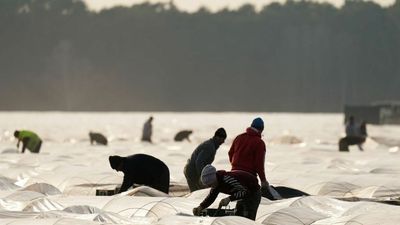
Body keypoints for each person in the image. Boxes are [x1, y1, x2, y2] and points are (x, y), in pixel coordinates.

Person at [192, 165, 261, 220]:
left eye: (211, 184)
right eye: (209, 185)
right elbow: (211, 197)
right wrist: (201, 207)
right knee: (238, 216)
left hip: (253, 193)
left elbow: (245, 192)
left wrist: (229, 199)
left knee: (247, 219)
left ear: (214, 179)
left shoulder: (228, 180)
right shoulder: (216, 184)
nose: (211, 186)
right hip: (242, 194)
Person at [228, 117, 269, 193]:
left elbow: (230, 153)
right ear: (261, 129)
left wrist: (235, 166)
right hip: (248, 177)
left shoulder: (238, 137)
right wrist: (263, 181)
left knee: (238, 196)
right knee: (253, 198)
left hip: (233, 174)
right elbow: (259, 165)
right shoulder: (259, 143)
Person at [184, 128, 227, 192]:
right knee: (197, 194)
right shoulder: (209, 146)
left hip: (192, 170)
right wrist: (202, 177)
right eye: (222, 139)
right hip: (192, 172)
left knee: (197, 192)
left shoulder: (212, 145)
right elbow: (199, 162)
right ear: (217, 137)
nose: (223, 142)